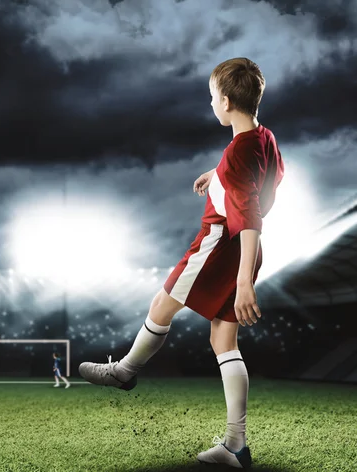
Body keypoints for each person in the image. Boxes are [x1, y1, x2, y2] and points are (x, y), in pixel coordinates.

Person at [79, 58, 284, 470]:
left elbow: (248, 214)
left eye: (212, 98)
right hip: (243, 247)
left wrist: (244, 281)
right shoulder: (263, 137)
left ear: (225, 102)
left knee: (161, 305)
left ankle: (124, 371)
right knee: (224, 344)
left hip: (220, 245)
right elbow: (265, 174)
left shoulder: (238, 156)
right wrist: (219, 173)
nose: (211, 104)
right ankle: (235, 445)